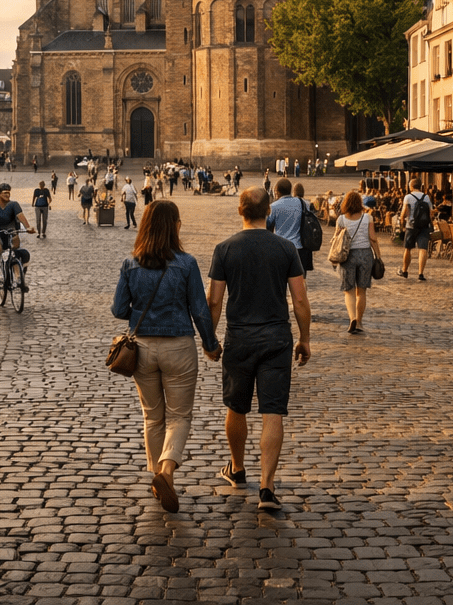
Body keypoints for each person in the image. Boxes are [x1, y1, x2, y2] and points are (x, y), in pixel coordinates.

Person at [110, 200, 220, 514]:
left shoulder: (131, 263)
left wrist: (141, 311)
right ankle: (166, 472)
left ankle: (157, 475)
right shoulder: (186, 263)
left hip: (141, 349)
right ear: (175, 226)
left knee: (152, 416)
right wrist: (211, 343)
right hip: (179, 347)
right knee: (180, 416)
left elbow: (118, 309)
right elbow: (200, 309)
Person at [207, 187, 311, 513]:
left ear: (240, 211)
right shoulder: (286, 248)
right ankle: (267, 487)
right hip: (276, 339)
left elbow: (214, 300)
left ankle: (237, 470)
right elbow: (300, 300)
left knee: (236, 407)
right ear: (269, 212)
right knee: (273, 412)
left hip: (239, 338)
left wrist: (210, 339)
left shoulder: (224, 249)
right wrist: (305, 338)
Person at [333, 190, 379, 334]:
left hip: (348, 256)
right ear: (360, 203)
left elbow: (336, 239)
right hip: (365, 255)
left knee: (349, 290)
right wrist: (378, 256)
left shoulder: (341, 220)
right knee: (362, 291)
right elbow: (373, 238)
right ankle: (359, 322)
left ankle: (352, 317)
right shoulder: (368, 218)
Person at [0, 183, 35, 290]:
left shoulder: (14, 204)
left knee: (14, 251)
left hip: (11, 232)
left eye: (8, 192)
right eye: (5, 193)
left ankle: (19, 278)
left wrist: (28, 227)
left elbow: (20, 216)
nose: (7, 195)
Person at [266, 178, 306, 268]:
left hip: (281, 247)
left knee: (281, 278)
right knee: (298, 279)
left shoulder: (273, 207)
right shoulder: (302, 203)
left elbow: (266, 224)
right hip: (298, 247)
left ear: (276, 191)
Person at [399, 179, 433, 281]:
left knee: (408, 248)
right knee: (423, 249)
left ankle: (404, 271)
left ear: (411, 186)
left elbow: (404, 213)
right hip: (424, 226)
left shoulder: (408, 197)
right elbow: (431, 213)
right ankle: (420, 274)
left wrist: (402, 224)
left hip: (411, 226)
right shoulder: (426, 197)